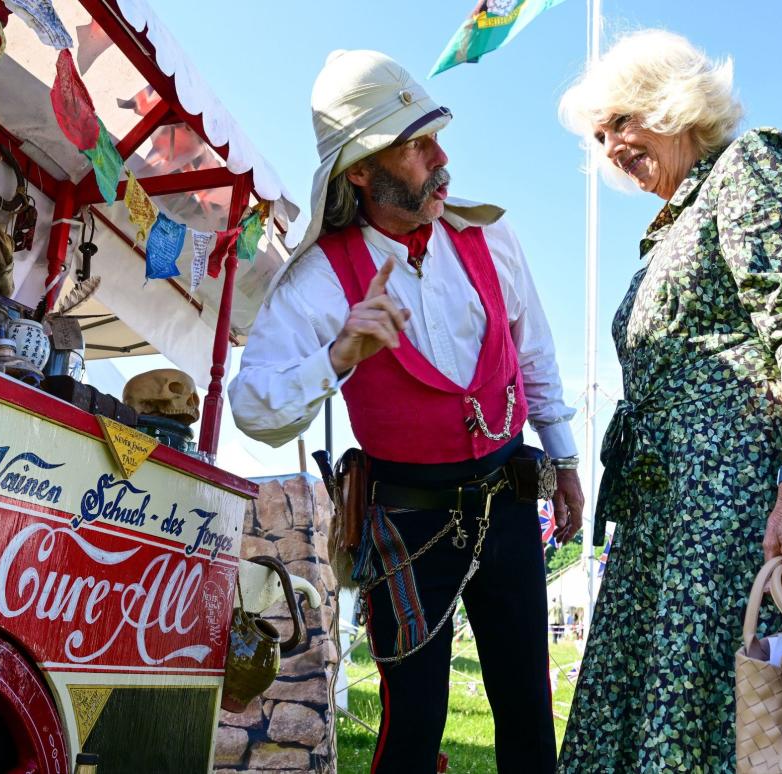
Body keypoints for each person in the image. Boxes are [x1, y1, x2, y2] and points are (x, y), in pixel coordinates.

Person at [228, 50, 584, 773]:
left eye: (435, 137)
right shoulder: (321, 277)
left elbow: (535, 354)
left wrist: (567, 458)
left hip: (510, 496)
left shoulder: (491, 237)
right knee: (414, 719)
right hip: (407, 520)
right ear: (361, 170)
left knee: (525, 705)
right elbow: (251, 406)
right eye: (417, 145)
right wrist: (336, 357)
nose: (441, 157)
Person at [553, 30, 782, 772]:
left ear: (674, 103)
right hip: (664, 521)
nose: (611, 147)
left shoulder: (750, 165)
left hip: (735, 508)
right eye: (600, 137)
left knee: (749, 721)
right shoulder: (668, 227)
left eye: (623, 122)